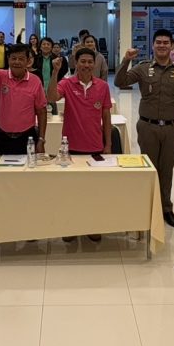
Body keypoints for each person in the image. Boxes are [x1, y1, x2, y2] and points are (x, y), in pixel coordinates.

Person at [115, 29, 174, 228]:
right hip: (147, 127)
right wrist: (126, 60)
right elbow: (120, 82)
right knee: (149, 169)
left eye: (166, 42)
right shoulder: (143, 68)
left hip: (172, 128)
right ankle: (148, 207)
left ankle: (166, 208)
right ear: (152, 45)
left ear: (171, 46)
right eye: (158, 42)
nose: (162, 45)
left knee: (166, 170)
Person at [46, 48, 112, 242]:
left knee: (94, 192)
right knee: (70, 191)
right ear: (76, 63)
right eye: (83, 61)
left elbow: (106, 116)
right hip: (70, 148)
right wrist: (55, 72)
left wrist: (108, 144)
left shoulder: (102, 86)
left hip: (95, 147)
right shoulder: (67, 83)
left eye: (90, 62)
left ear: (95, 64)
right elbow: (51, 97)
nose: (86, 65)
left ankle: (92, 225)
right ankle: (70, 226)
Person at [0, 33, 47, 155]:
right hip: (2, 136)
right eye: (13, 58)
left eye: (21, 59)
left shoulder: (35, 80)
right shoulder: (1, 76)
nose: (17, 62)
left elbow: (41, 111)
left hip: (27, 137)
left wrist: (41, 139)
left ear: (28, 61)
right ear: (8, 59)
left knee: (27, 167)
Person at [33, 37, 67, 115]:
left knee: (53, 113)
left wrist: (57, 80)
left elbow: (63, 70)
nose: (46, 46)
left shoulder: (57, 59)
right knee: (37, 112)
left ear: (51, 47)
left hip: (52, 87)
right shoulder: (35, 58)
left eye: (48, 44)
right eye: (44, 44)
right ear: (40, 46)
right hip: (38, 88)